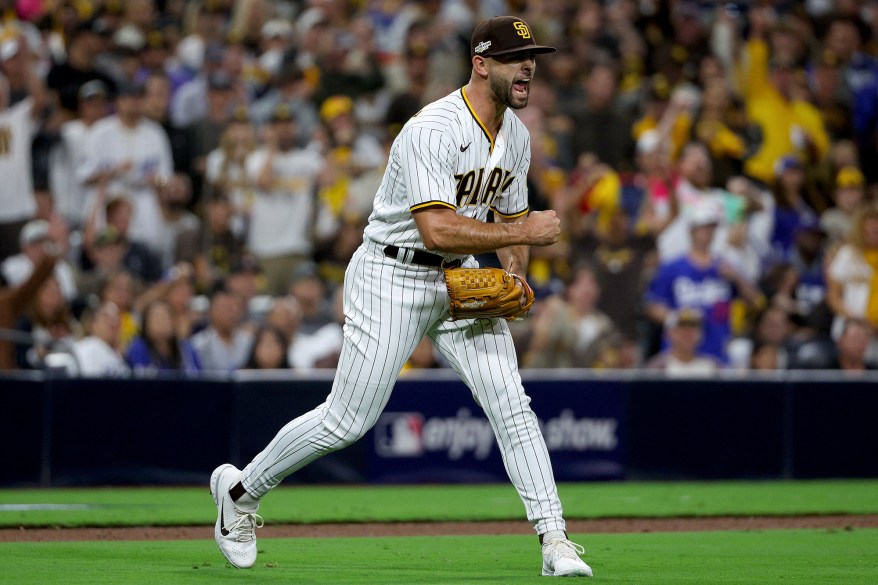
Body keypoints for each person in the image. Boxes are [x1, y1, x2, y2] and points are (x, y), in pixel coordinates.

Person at [209, 16, 593, 578]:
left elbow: (510, 218)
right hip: (391, 272)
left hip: (458, 275)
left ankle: (555, 540)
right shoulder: (432, 129)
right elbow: (439, 229)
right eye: (515, 56)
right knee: (347, 420)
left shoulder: (518, 137)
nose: (528, 66)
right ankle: (240, 493)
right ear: (481, 63)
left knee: (512, 404)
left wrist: (514, 276)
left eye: (532, 55)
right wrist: (524, 234)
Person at [126, 299, 201, 374]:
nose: (162, 322)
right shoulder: (138, 347)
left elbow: (199, 377)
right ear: (146, 324)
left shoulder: (186, 348)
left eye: (166, 317)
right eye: (156, 318)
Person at [644, 308, 725, 377]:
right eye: (681, 327)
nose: (687, 333)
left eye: (692, 327)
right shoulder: (656, 367)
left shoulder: (714, 367)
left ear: (701, 334)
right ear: (668, 334)